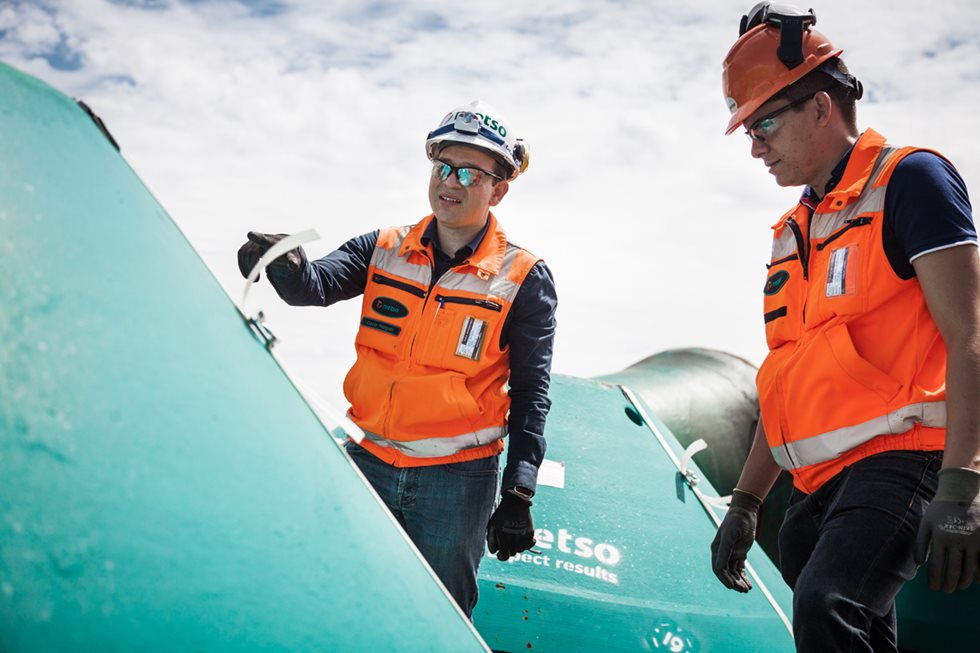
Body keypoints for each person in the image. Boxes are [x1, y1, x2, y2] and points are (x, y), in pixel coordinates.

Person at [709, 4, 980, 651]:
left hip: (904, 462)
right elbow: (786, 378)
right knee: (845, 619)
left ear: (821, 107)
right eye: (748, 129)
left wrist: (964, 480)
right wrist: (747, 500)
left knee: (829, 602)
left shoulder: (911, 181)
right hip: (819, 484)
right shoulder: (791, 236)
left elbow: (970, 337)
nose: (755, 145)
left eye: (764, 122)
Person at [236, 100, 557, 618]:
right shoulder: (382, 247)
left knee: (436, 618)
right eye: (441, 167)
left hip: (457, 482)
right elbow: (313, 286)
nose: (448, 182)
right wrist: (286, 266)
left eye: (469, 173)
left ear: (498, 189)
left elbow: (531, 392)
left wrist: (519, 490)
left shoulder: (524, 277)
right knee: (337, 602)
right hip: (369, 461)